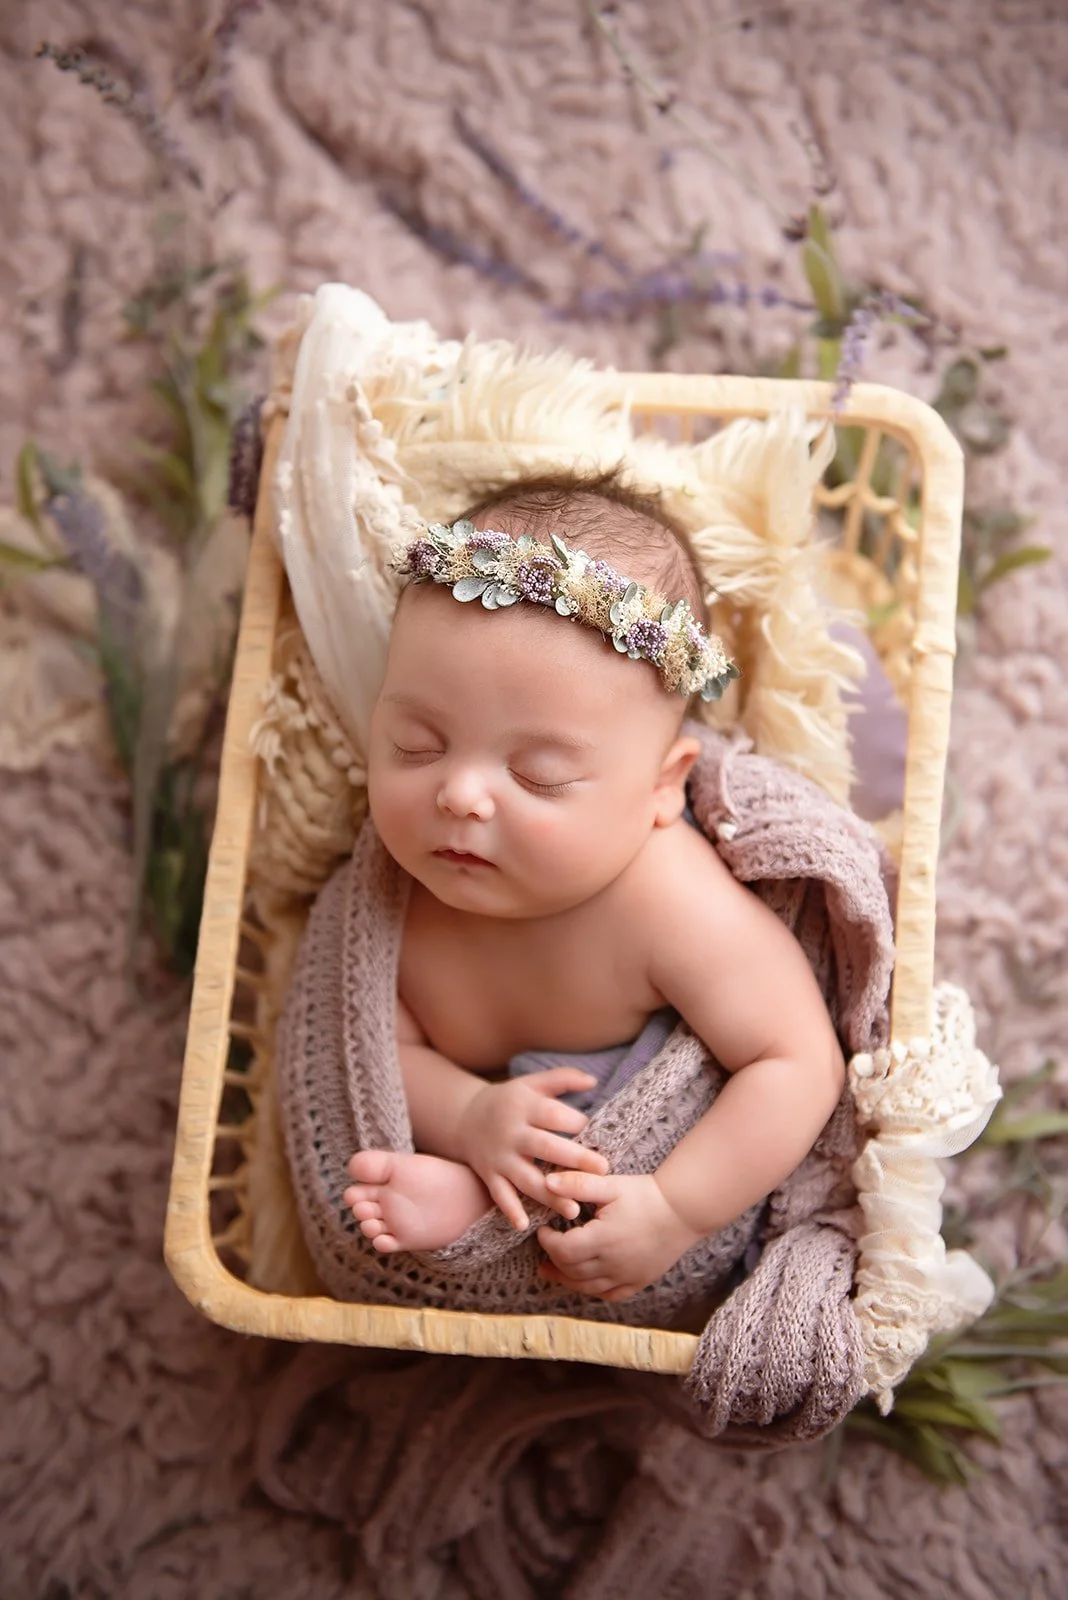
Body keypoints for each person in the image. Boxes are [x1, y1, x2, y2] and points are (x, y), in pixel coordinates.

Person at [343, 480, 845, 1303]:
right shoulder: (394, 890)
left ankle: (492, 1207)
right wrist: (470, 1114)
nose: (460, 795)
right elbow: (375, 1050)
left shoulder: (666, 900)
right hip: (483, 1130)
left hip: (626, 1155)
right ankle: (477, 1198)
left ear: (662, 787)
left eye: (537, 776)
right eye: (415, 744)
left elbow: (795, 1060)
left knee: (589, 1164)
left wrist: (677, 1209)